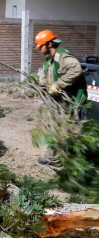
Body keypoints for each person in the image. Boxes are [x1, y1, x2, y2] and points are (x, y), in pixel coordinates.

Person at [35, 30, 87, 167]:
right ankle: (54, 157)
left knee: (61, 128)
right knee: (53, 126)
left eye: (41, 46)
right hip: (57, 100)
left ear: (50, 43)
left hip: (70, 99)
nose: (40, 50)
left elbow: (76, 69)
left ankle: (57, 159)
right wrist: (44, 83)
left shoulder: (62, 56)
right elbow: (45, 75)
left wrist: (58, 85)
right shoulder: (49, 59)